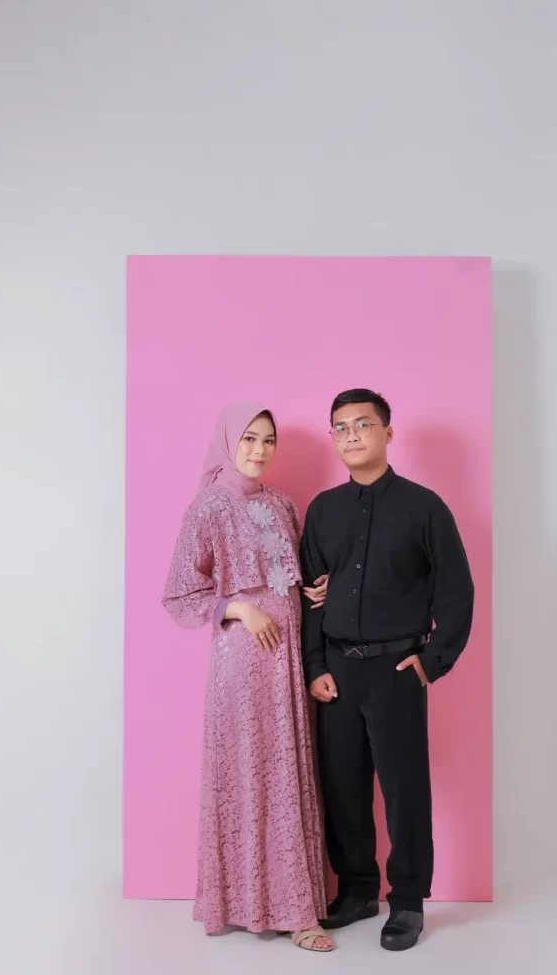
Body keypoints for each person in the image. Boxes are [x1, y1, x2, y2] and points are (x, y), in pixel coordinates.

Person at [300, 389, 474, 952]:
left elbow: (457, 591)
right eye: (341, 427)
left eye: (363, 425)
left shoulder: (425, 508)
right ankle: (356, 891)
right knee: (342, 785)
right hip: (337, 672)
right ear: (334, 437)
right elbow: (310, 596)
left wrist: (431, 662)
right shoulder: (323, 510)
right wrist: (315, 665)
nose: (351, 435)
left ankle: (407, 902)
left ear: (387, 432)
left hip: (397, 670)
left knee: (404, 789)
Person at [163, 403, 333, 952]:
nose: (259, 450)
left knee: (287, 770)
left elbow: (291, 576)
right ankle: (255, 904)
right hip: (243, 658)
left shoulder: (283, 504)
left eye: (268, 440)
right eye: (249, 439)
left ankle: (294, 906)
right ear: (229, 442)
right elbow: (180, 593)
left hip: (288, 657)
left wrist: (313, 591)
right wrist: (238, 608)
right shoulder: (208, 507)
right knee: (250, 770)